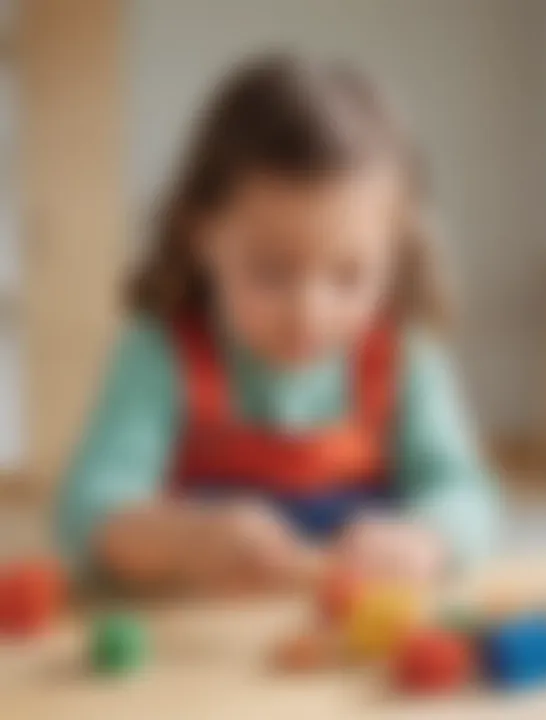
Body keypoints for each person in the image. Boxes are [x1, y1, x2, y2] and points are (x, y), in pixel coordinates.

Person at [56, 55, 500, 593]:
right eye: (270, 272)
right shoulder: (161, 352)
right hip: (200, 647)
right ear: (201, 235)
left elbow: (469, 497)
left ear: (396, 251)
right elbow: (84, 512)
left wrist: (426, 539)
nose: (308, 312)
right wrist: (180, 540)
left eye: (349, 276)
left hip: (351, 649)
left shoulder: (405, 356)